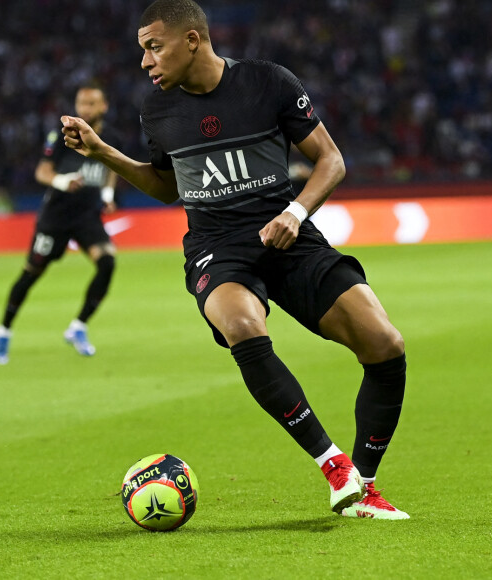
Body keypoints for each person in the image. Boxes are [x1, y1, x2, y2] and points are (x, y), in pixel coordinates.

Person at [61, 0, 409, 520]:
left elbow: (331, 160)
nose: (145, 62)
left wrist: (295, 212)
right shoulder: (157, 112)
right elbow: (166, 188)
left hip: (288, 235)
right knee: (243, 323)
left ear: (193, 40)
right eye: (142, 51)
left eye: (154, 47)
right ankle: (333, 464)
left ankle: (367, 488)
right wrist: (105, 152)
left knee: (385, 345)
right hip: (217, 246)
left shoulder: (268, 82)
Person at [0, 82, 122, 364]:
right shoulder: (64, 136)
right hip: (56, 217)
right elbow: (42, 171)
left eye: (90, 104)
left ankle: (78, 327)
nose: (84, 109)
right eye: (80, 103)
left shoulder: (111, 137)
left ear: (104, 107)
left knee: (108, 262)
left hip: (87, 216)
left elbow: (112, 167)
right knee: (32, 273)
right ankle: (4, 331)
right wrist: (63, 181)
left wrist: (108, 194)